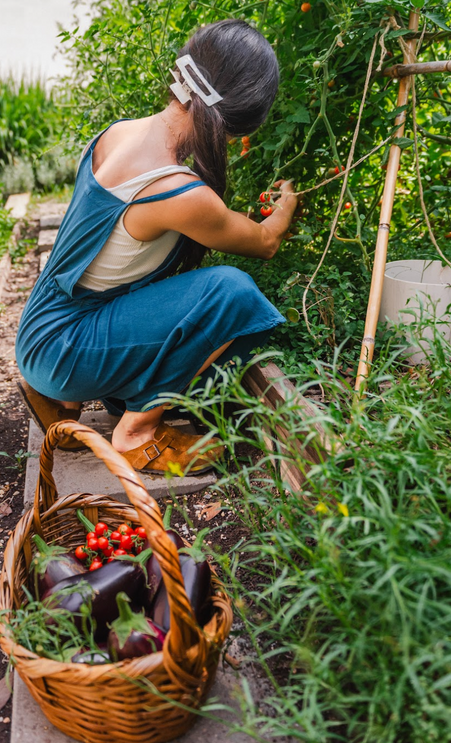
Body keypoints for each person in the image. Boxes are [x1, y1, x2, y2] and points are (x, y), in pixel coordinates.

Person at [16, 19, 298, 475]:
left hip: (42, 327)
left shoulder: (120, 133)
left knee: (152, 292)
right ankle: (136, 431)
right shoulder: (179, 193)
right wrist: (284, 209)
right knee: (232, 292)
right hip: (64, 348)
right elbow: (264, 243)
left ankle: (63, 399)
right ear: (238, 123)